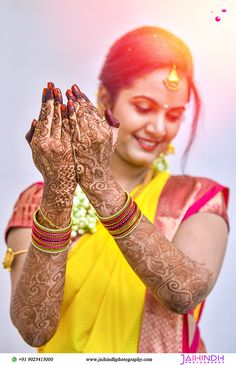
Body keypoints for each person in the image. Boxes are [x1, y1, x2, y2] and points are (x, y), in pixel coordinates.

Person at [3, 26, 229, 353]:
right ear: (106, 99)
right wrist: (59, 194)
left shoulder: (198, 198)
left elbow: (184, 292)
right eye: (143, 107)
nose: (158, 128)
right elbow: (34, 330)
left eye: (174, 115)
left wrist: (100, 186)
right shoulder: (39, 200)